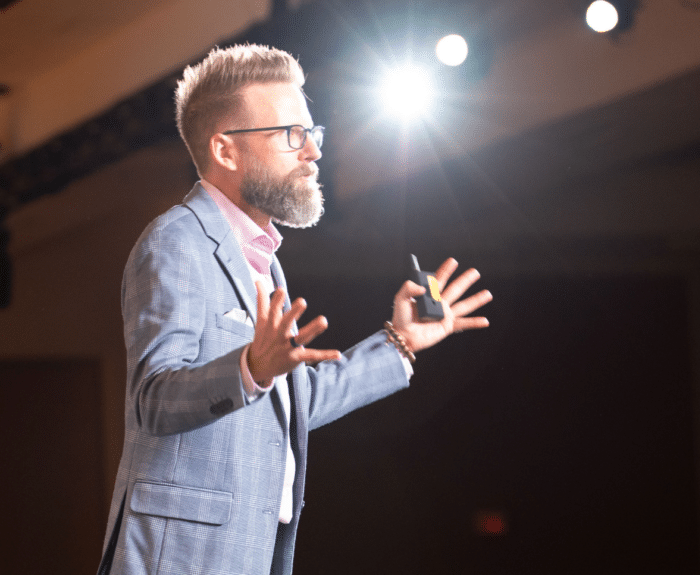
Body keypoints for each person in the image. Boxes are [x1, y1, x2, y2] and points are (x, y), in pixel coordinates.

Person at [96, 44, 492, 575]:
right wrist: (249, 369)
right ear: (226, 151)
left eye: (313, 134)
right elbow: (155, 399)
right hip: (182, 559)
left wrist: (399, 342)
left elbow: (292, 405)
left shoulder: (263, 261)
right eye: (291, 135)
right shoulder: (178, 241)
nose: (313, 152)